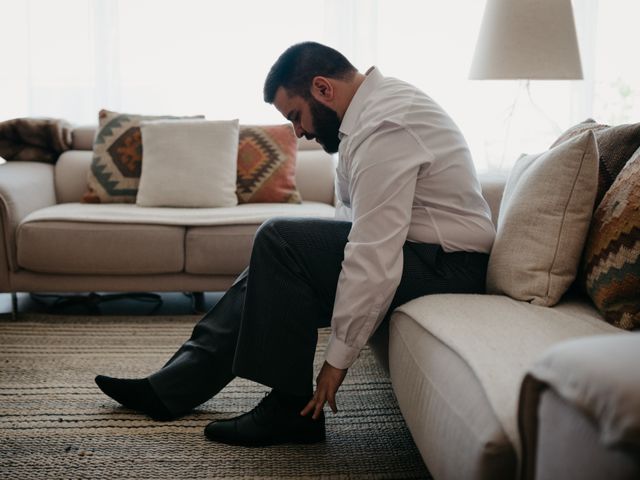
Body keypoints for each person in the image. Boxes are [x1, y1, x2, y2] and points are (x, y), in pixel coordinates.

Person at [95, 41, 495, 447]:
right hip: (426, 255)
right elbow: (354, 226)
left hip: (451, 267)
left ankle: (291, 411)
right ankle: (169, 388)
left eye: (295, 117)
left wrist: (336, 361)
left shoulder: (386, 124)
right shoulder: (366, 117)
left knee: (279, 238)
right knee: (273, 263)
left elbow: (374, 250)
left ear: (322, 89)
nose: (299, 132)